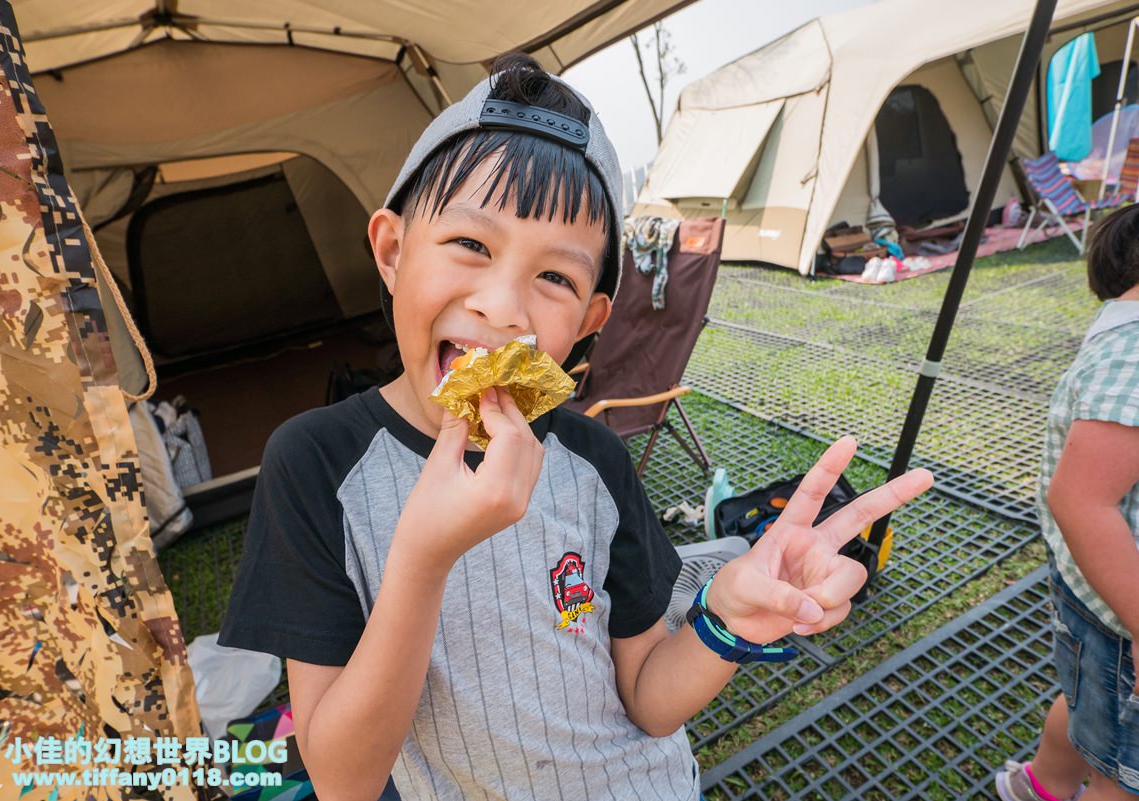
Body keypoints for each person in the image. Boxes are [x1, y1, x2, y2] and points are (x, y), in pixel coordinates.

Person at [217, 53, 933, 801]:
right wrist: (424, 560)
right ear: (393, 250)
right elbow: (342, 779)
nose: (503, 307)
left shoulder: (592, 459)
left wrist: (728, 619)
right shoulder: (315, 463)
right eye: (471, 245)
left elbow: (649, 698)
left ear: (591, 319)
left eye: (554, 277)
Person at [995, 205, 1139, 801]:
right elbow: (1080, 501)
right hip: (1123, 609)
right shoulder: (1134, 354)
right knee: (1124, 774)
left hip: (1103, 606)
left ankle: (1040, 786)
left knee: (1089, 699)